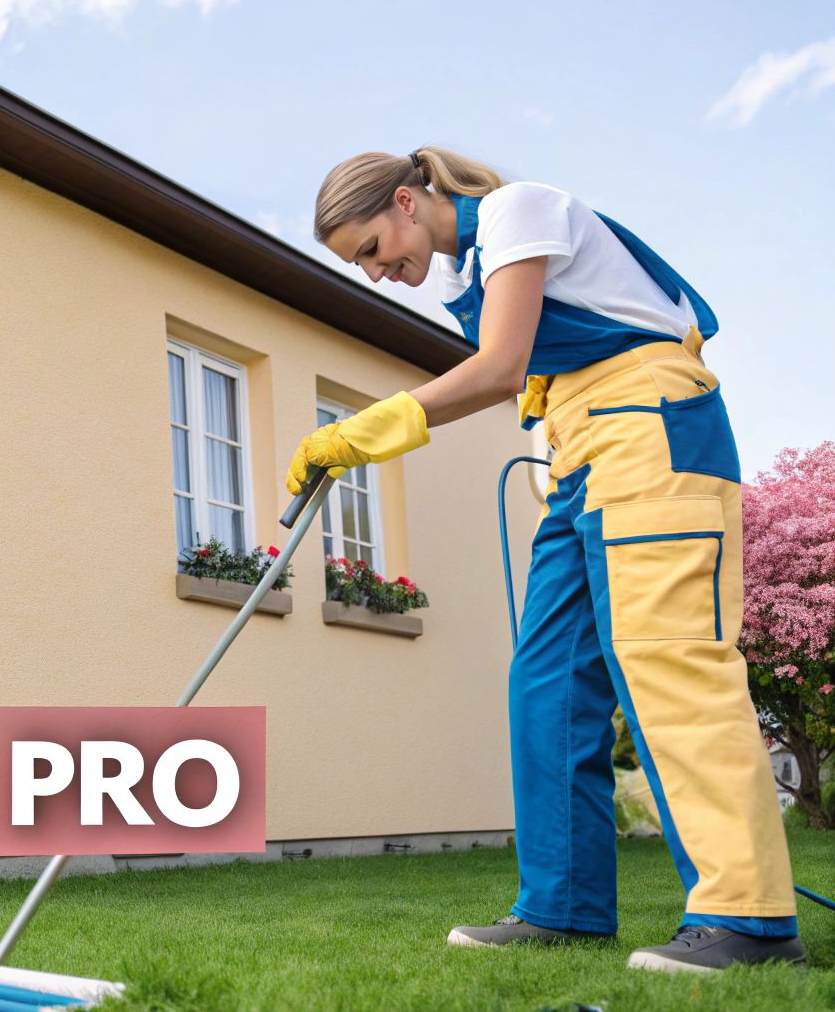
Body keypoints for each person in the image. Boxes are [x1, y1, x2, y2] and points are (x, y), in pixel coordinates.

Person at [293, 147, 800, 973]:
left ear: (405, 203)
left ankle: (748, 920)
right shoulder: (471, 275)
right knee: (547, 685)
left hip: (650, 430)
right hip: (583, 457)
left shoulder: (515, 212)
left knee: (670, 665)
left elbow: (498, 368)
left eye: (373, 252)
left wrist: (361, 433)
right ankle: (562, 907)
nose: (380, 273)